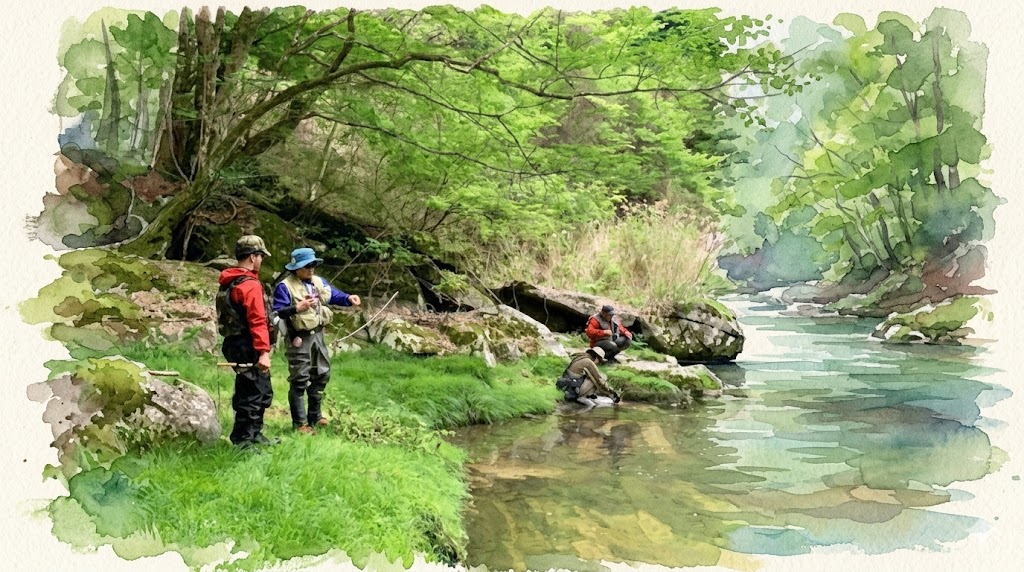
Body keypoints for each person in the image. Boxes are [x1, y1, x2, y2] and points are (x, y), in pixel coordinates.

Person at [272, 247, 361, 434]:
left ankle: (315, 416)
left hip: (318, 335)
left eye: (313, 265)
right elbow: (277, 312)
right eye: (307, 266)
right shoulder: (284, 286)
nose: (311, 269)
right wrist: (298, 307)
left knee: (322, 374)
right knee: (299, 380)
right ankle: (300, 424)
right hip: (298, 337)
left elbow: (333, 294)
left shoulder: (318, 282)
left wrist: (348, 298)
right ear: (296, 268)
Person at [216, 235, 275, 449]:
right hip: (248, 344)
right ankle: (244, 440)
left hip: (234, 343)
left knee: (261, 389)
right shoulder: (249, 285)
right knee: (252, 392)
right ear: (252, 257)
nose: (261, 261)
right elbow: (257, 320)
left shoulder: (230, 281)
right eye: (260, 256)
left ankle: (255, 433)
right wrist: (264, 352)